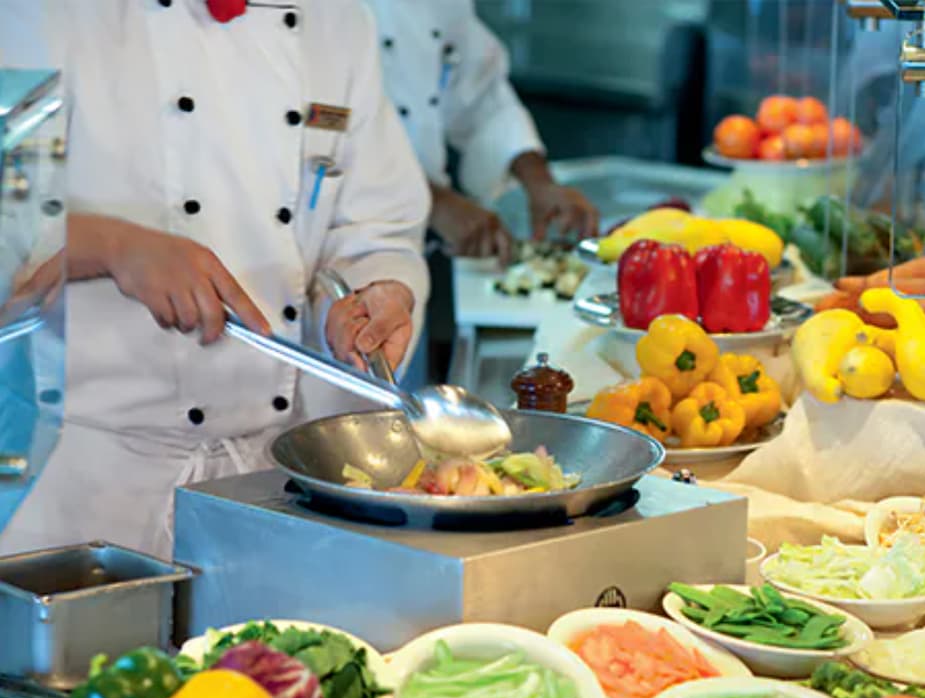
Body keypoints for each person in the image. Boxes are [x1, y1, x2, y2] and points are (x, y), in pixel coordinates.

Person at [0, 0, 431, 559]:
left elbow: (378, 224)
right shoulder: (36, 14)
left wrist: (377, 288)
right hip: (80, 486)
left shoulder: (336, 17)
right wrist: (110, 245)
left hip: (273, 482)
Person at [365, 0, 600, 262]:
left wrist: (539, 182)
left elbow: (482, 97)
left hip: (415, 250)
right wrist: (436, 203)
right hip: (340, 247)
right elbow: (335, 139)